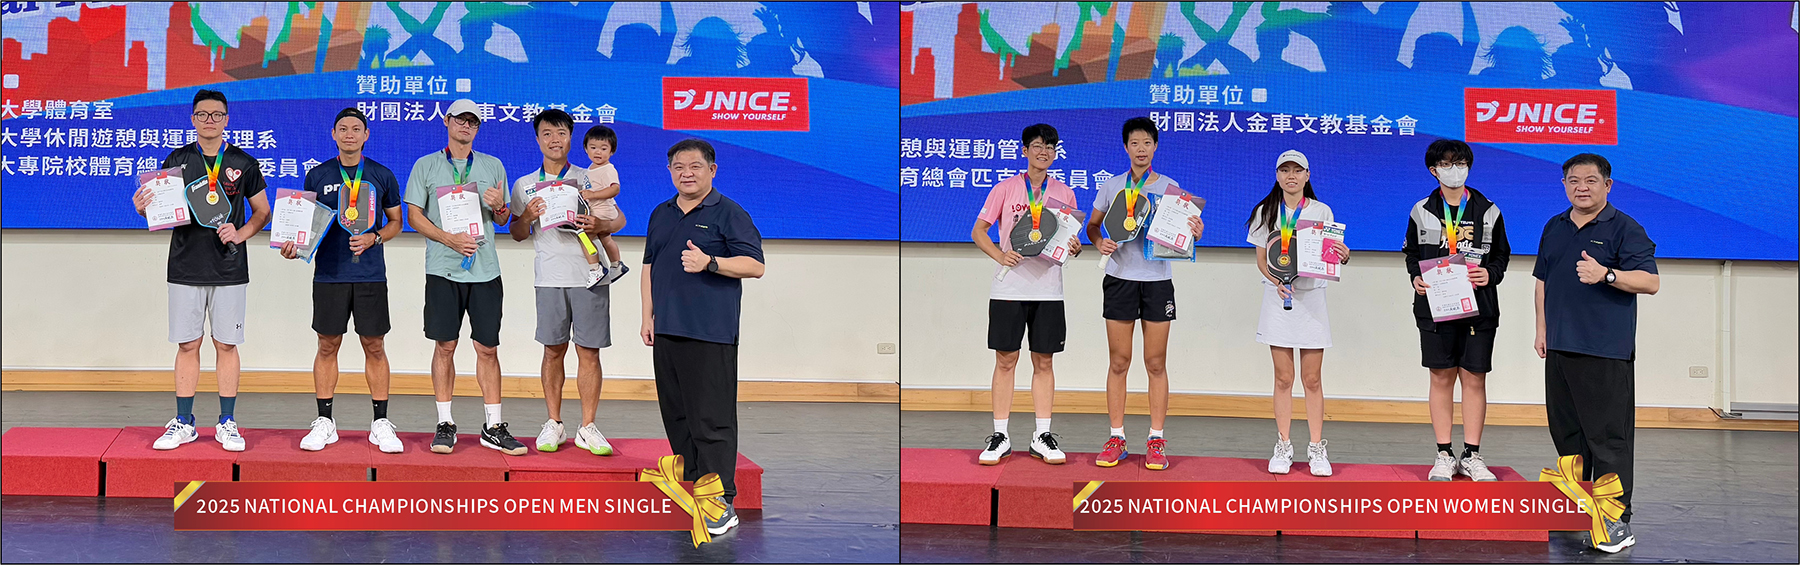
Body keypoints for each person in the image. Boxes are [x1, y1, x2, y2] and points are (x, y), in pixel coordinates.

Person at [1534, 152, 1658, 553]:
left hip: (1605, 350)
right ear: (1564, 185)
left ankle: (1616, 520)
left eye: (1590, 180)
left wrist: (1607, 274)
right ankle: (1580, 506)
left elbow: (1650, 282)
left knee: (1607, 439)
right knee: (1568, 435)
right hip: (1560, 347)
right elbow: (1542, 281)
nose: (1581, 187)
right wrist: (1542, 329)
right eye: (1573, 180)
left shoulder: (1625, 227)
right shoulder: (1554, 226)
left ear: (1608, 185)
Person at [132, 89, 269, 452]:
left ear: (227, 119)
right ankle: (184, 421)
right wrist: (143, 209)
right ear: (193, 119)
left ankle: (227, 422)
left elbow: (262, 212)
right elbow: (160, 211)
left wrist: (240, 233)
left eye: (217, 115)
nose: (210, 120)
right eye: (203, 115)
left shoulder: (243, 162)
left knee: (226, 344)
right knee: (188, 343)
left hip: (229, 268)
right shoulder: (177, 161)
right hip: (185, 265)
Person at [641, 138, 765, 535]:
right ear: (670, 171)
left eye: (695, 166)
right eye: (678, 167)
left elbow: (755, 266)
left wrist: (709, 262)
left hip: (710, 332)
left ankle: (721, 503)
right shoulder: (661, 213)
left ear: (712, 170)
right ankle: (697, 489)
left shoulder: (729, 212)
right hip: (667, 330)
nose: (686, 173)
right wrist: (647, 316)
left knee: (712, 420)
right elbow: (649, 266)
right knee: (678, 417)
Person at [281, 108, 406, 454]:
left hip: (370, 275)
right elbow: (304, 226)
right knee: (327, 345)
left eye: (356, 129)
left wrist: (374, 237)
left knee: (375, 346)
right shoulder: (317, 175)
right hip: (329, 274)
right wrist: (292, 247)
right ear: (333, 134)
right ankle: (325, 421)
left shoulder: (382, 175)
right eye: (343, 129)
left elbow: (396, 222)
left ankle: (380, 422)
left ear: (366, 135)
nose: (349, 134)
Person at [402, 99, 523, 455]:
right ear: (447, 121)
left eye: (473, 121)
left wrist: (499, 206)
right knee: (445, 346)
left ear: (477, 128)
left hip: (485, 271)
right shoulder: (426, 165)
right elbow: (414, 216)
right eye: (460, 119)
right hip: (443, 269)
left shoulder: (492, 165)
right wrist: (448, 238)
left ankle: (493, 426)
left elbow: (503, 219)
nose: (466, 126)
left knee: (488, 348)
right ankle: (445, 423)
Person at [1087, 117, 1203, 471]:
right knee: (1119, 361)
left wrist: (1194, 231)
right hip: (1119, 279)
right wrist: (1099, 242)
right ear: (1126, 147)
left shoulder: (1170, 187)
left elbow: (1183, 234)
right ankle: (1116, 437)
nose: (1141, 149)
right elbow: (1093, 226)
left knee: (1155, 363)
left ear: (1155, 147)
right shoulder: (1111, 186)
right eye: (1134, 143)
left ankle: (1156, 439)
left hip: (1156, 281)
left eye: (1147, 143)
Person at [508, 109, 624, 455]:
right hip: (549, 277)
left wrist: (599, 225)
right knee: (552, 350)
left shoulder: (589, 177)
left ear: (571, 138)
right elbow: (516, 233)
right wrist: (527, 216)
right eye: (547, 133)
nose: (554, 140)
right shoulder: (525, 184)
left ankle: (588, 426)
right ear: (537, 139)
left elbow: (618, 219)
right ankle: (554, 422)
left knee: (589, 352)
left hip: (590, 277)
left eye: (561, 133)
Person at [974, 124, 1082, 467]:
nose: (1044, 152)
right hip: (1009, 288)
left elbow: (1069, 237)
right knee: (1005, 360)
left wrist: (1075, 247)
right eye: (1037, 146)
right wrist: (1000, 255)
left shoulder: (1064, 193)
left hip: (1049, 289)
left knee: (1044, 362)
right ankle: (1000, 436)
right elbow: (979, 231)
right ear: (1024, 151)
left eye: (1050, 147)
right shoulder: (1005, 189)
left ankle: (1042, 435)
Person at [1403, 139, 1511, 481]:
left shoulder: (1489, 210)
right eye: (1447, 164)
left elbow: (1501, 256)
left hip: (1479, 309)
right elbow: (1412, 255)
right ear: (1434, 170)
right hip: (1436, 309)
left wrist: (1489, 274)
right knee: (1440, 377)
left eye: (1461, 163)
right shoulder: (1421, 210)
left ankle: (1472, 454)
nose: (1456, 170)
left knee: (1474, 378)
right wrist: (1416, 277)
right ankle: (1444, 453)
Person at [1247, 149, 1349, 477]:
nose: (1291, 176)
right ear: (1277, 175)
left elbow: (1330, 255)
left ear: (1307, 175)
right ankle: (1283, 444)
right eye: (1285, 170)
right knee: (1283, 378)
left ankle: (1317, 448)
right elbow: (1261, 259)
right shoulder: (1265, 211)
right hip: (1278, 299)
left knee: (1312, 379)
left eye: (1297, 170)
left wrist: (1343, 255)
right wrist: (1277, 281)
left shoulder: (1321, 210)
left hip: (1312, 300)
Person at [581, 125, 630, 286]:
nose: (598, 152)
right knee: (606, 239)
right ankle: (616, 265)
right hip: (599, 210)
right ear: (586, 149)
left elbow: (615, 189)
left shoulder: (607, 169)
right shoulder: (591, 169)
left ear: (612, 151)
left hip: (602, 211)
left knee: (584, 238)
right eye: (593, 147)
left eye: (603, 148)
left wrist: (593, 195)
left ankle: (595, 269)